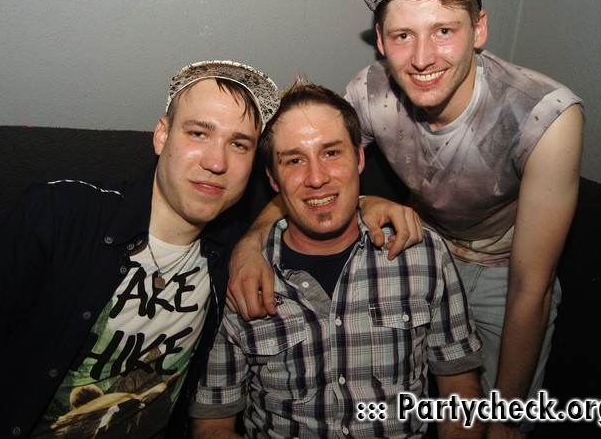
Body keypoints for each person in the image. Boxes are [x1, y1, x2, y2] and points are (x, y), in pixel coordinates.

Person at [228, 0, 584, 437]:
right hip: (421, 252)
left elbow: (532, 285)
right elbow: (314, 176)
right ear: (379, 39)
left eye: (444, 30)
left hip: (507, 271)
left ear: (479, 28)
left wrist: (507, 417)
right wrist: (250, 243)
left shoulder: (544, 116)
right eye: (402, 35)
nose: (421, 58)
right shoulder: (369, 93)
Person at [0, 60, 281, 438]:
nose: (216, 162)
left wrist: (251, 244)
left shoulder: (228, 251)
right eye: (199, 133)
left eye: (239, 144)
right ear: (162, 136)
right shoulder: (60, 215)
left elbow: (303, 187)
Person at [191, 80, 485, 438]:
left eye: (331, 153)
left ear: (359, 158)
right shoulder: (241, 279)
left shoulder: (422, 255)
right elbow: (213, 423)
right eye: (294, 160)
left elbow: (460, 392)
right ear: (273, 179)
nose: (316, 178)